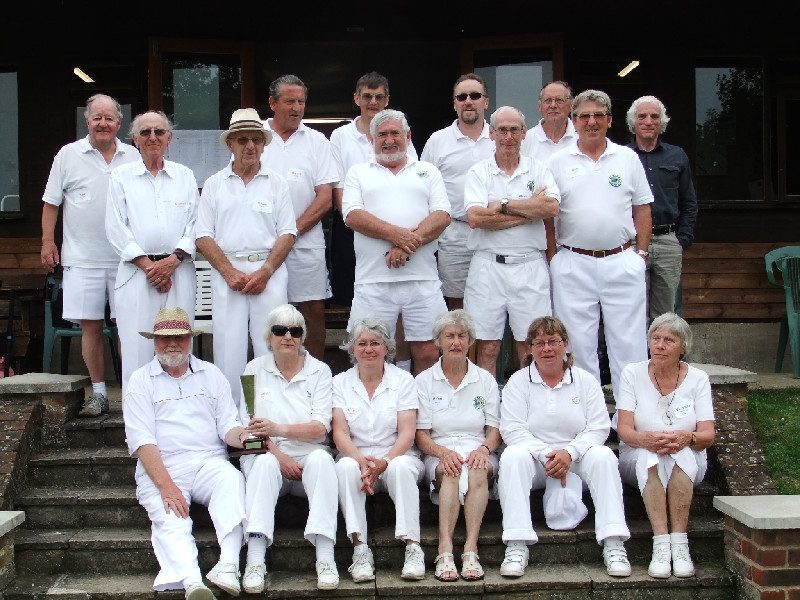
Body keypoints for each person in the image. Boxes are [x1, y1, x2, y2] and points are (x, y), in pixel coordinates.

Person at [122, 307, 250, 600]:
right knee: (171, 516)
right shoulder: (140, 380)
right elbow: (142, 441)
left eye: (179, 337)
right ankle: (193, 583)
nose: (172, 344)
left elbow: (228, 426)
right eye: (165, 338)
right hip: (162, 467)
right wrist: (167, 487)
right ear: (154, 341)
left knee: (232, 481)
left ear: (190, 339)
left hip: (209, 461)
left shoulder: (211, 374)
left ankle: (229, 566)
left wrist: (245, 437)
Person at [498, 316, 631, 578]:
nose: (547, 348)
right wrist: (546, 454)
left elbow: (599, 427)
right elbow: (512, 429)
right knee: (512, 456)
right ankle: (516, 543)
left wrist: (569, 453)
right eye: (539, 343)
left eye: (553, 341)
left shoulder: (585, 380)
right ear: (530, 348)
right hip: (536, 461)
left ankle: (613, 542)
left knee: (604, 456)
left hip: (577, 459)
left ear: (566, 344)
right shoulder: (517, 382)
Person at [547, 90, 653, 401]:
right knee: (577, 343)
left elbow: (643, 208)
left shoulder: (627, 158)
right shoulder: (557, 161)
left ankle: (629, 413)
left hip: (621, 260)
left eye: (598, 116)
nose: (591, 122)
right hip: (573, 262)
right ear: (574, 121)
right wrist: (553, 257)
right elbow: (548, 216)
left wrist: (641, 254)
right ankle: (587, 413)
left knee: (629, 342)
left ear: (609, 120)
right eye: (584, 116)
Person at [41, 93, 139, 416]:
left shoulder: (133, 156)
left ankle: (133, 395)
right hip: (82, 258)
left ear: (119, 123)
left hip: (127, 259)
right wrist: (47, 241)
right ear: (87, 121)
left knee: (128, 327)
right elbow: (51, 203)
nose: (103, 124)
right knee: (91, 327)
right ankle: (98, 393)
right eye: (97, 118)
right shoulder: (67, 155)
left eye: (109, 118)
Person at [195, 108, 297, 405]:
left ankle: (270, 412)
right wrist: (229, 273)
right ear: (230, 144)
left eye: (256, 139)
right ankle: (232, 416)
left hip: (269, 273)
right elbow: (203, 235)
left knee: (272, 344)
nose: (250, 146)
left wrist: (265, 272)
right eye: (242, 140)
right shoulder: (214, 183)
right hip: (228, 275)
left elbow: (288, 233)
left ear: (264, 144)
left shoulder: (277, 183)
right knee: (228, 348)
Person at [236, 304, 339, 591]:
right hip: (267, 452)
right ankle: (255, 559)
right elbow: (248, 427)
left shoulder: (320, 370)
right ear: (269, 336)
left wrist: (278, 428)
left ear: (303, 336)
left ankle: (325, 556)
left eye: (295, 331)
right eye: (280, 330)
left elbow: (320, 428)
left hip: (308, 452)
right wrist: (279, 455)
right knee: (264, 463)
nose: (288, 337)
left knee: (322, 460)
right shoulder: (252, 370)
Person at [342, 108, 451, 375]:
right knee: (370, 351)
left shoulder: (428, 171)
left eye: (395, 133)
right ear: (372, 139)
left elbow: (442, 216)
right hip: (373, 281)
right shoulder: (358, 173)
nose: (389, 140)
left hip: (422, 279)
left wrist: (404, 246)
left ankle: (421, 403)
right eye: (382, 135)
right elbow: (353, 215)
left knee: (428, 351)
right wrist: (397, 235)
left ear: (408, 136)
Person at [615, 312, 715, 579]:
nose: (659, 345)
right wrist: (647, 440)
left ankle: (680, 545)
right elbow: (624, 430)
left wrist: (687, 438)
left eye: (669, 340)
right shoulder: (632, 373)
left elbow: (707, 434)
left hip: (688, 456)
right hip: (637, 453)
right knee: (650, 457)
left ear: (683, 347)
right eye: (655, 339)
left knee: (683, 455)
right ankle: (661, 545)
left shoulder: (698, 378)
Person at [105, 111, 198, 392]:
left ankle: (180, 407)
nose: (153, 137)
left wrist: (173, 260)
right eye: (145, 132)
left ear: (169, 138)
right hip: (136, 273)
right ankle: (137, 414)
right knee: (136, 348)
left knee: (178, 344)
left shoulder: (185, 176)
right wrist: (150, 266)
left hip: (178, 271)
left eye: (159, 132)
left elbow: (197, 223)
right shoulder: (120, 177)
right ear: (135, 139)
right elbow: (115, 226)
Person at [464, 106, 560, 377]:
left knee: (530, 343)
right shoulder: (478, 172)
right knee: (487, 345)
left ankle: (528, 398)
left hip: (530, 266)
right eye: (502, 130)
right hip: (487, 267)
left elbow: (551, 208)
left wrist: (503, 205)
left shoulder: (539, 169)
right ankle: (486, 401)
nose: (508, 136)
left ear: (524, 133)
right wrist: (529, 211)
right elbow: (475, 218)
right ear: (492, 133)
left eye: (514, 130)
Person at [332, 317, 426, 582]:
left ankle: (413, 547)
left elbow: (407, 432)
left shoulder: (403, 380)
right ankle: (360, 549)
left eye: (375, 343)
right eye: (362, 343)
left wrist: (385, 460)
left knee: (400, 468)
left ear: (387, 348)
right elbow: (340, 432)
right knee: (344, 467)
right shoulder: (340, 382)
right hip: (356, 457)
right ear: (352, 349)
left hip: (397, 455)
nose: (369, 349)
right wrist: (360, 460)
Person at [414, 309, 500, 581]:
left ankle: (471, 549)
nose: (456, 342)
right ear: (438, 342)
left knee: (477, 468)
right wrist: (443, 453)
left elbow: (494, 430)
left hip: (477, 446)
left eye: (462, 336)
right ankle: (445, 550)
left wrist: (483, 450)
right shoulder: (424, 381)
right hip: (438, 448)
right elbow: (421, 435)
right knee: (450, 469)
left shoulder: (485, 379)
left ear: (470, 341)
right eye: (449, 336)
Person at [262, 75, 338, 360]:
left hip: (305, 243)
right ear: (272, 103)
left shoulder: (317, 141)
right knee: (268, 312)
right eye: (289, 101)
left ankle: (316, 373)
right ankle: (271, 373)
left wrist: (291, 232)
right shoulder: (256, 136)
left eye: (301, 102)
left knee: (312, 310)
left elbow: (325, 197)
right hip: (264, 243)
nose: (296, 108)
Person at [329, 71, 418, 307]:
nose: (373, 102)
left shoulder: (399, 132)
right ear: (356, 98)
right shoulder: (340, 136)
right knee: (350, 293)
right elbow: (338, 187)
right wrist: (357, 222)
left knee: (396, 290)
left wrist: (394, 230)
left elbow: (412, 177)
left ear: (387, 100)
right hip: (351, 225)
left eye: (379, 97)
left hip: (396, 226)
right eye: (367, 96)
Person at [421, 73, 494, 310]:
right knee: (457, 304)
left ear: (486, 101)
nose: (468, 101)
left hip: (494, 232)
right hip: (454, 234)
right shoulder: (437, 141)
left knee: (494, 301)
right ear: (454, 104)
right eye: (461, 97)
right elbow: (423, 188)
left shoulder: (500, 138)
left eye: (475, 95)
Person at [626, 96, 698, 322]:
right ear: (633, 122)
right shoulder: (621, 156)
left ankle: (661, 347)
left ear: (662, 122)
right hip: (632, 242)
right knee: (633, 309)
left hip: (668, 241)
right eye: (642, 116)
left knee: (665, 314)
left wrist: (682, 239)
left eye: (654, 116)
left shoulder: (677, 156)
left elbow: (689, 201)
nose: (648, 121)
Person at [521, 81, 578, 163]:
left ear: (570, 106)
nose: (553, 105)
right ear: (540, 106)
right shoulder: (525, 140)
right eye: (548, 100)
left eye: (559, 100)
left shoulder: (581, 136)